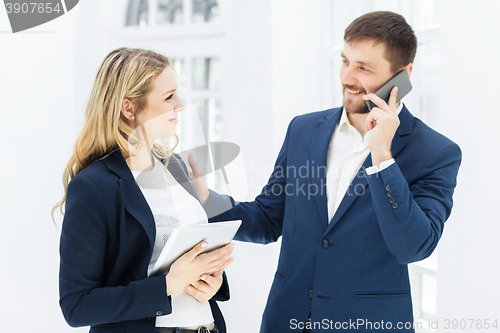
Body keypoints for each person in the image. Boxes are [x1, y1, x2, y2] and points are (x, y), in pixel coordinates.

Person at [189, 11, 462, 333]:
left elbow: (413, 247)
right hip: (286, 320)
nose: (348, 77)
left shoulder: (435, 152)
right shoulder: (304, 130)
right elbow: (268, 219)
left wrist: (383, 156)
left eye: (364, 68)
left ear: (403, 75)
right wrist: (207, 200)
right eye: (345, 61)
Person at [53, 47, 234, 333]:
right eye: (169, 96)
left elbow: (186, 257)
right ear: (129, 108)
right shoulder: (93, 186)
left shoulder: (174, 166)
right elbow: (77, 305)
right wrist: (168, 285)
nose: (181, 105)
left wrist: (213, 282)